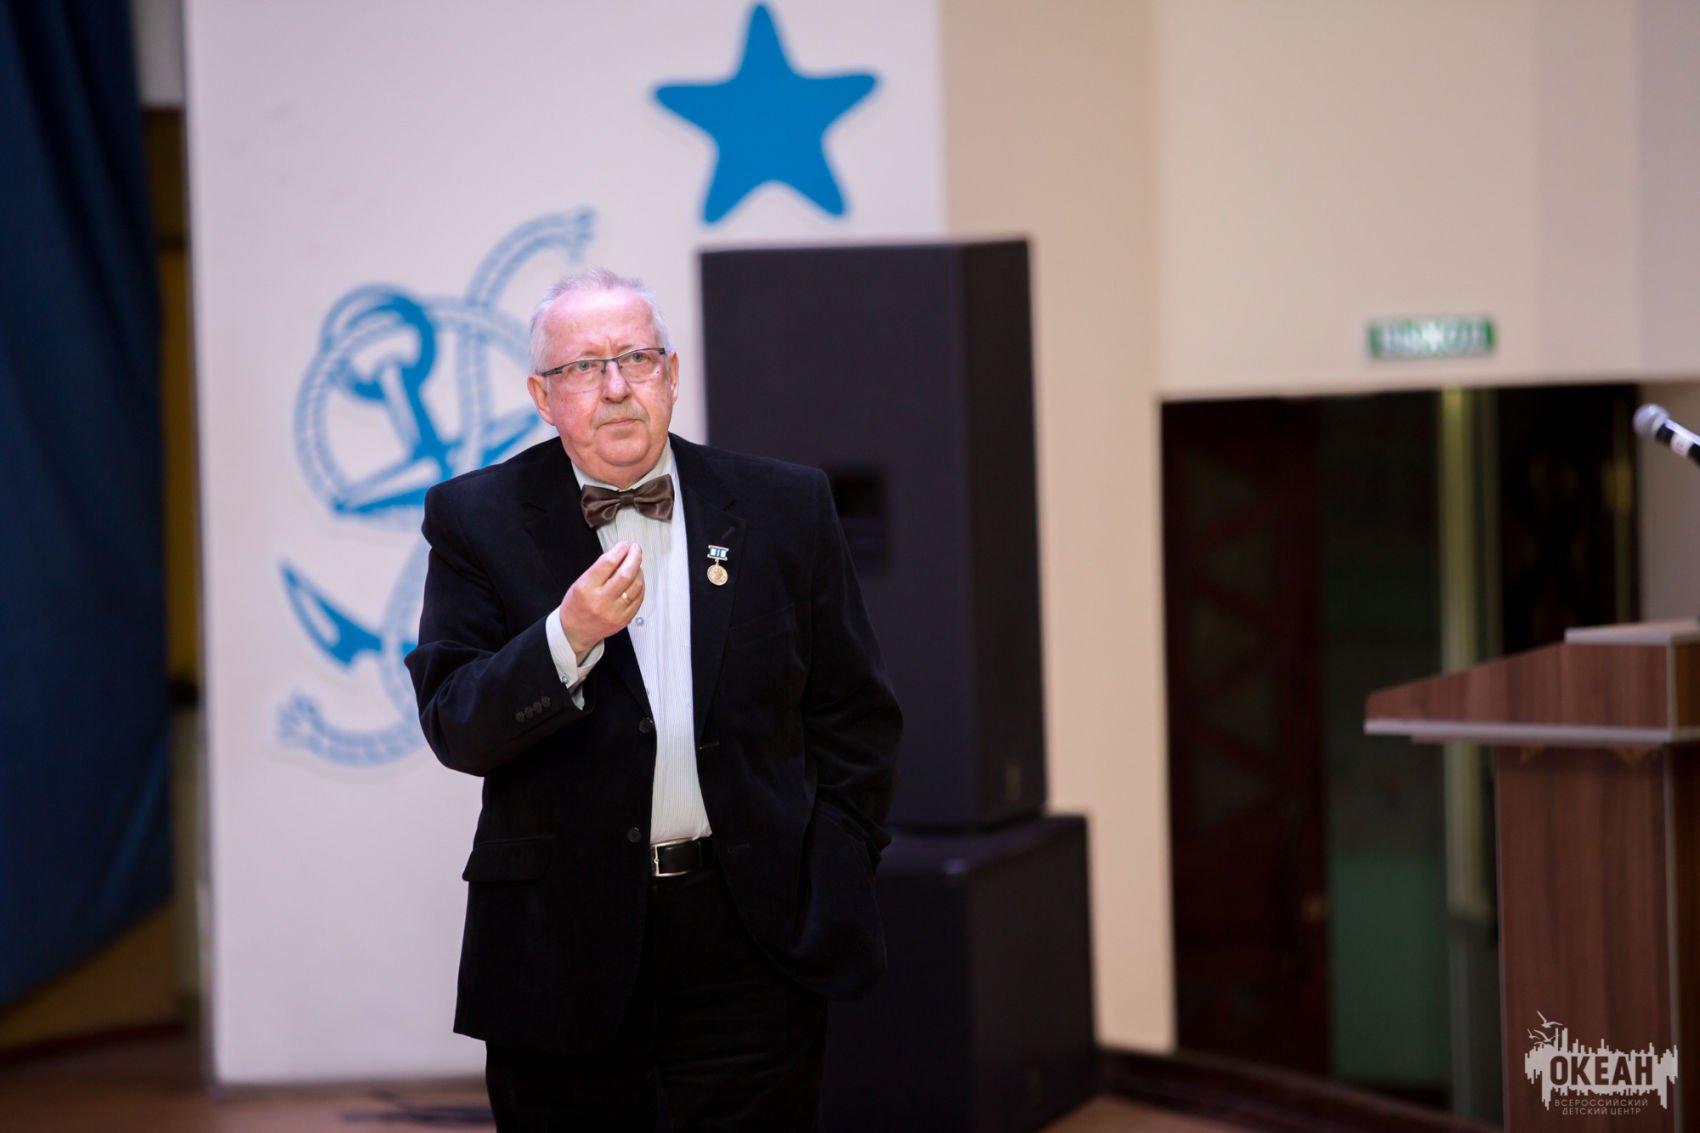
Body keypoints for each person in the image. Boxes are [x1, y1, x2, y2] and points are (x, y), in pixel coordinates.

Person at [405, 268, 901, 1131]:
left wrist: (831, 865)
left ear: (670, 374)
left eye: (635, 358)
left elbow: (855, 716)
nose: (614, 386)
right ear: (542, 397)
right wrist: (567, 636)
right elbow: (457, 722)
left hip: (753, 938)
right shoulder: (476, 518)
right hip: (561, 946)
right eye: (582, 367)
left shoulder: (785, 505)